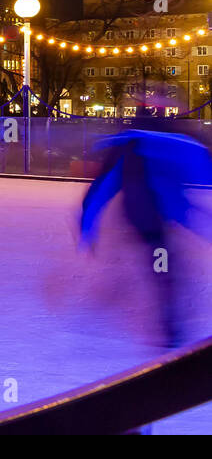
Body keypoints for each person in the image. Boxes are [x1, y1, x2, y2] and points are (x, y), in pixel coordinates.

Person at [80, 120, 212, 348]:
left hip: (147, 216)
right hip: (148, 219)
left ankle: (162, 316)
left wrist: (87, 228)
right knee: (164, 266)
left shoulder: (137, 147)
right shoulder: (165, 145)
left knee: (162, 263)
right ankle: (169, 330)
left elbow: (101, 190)